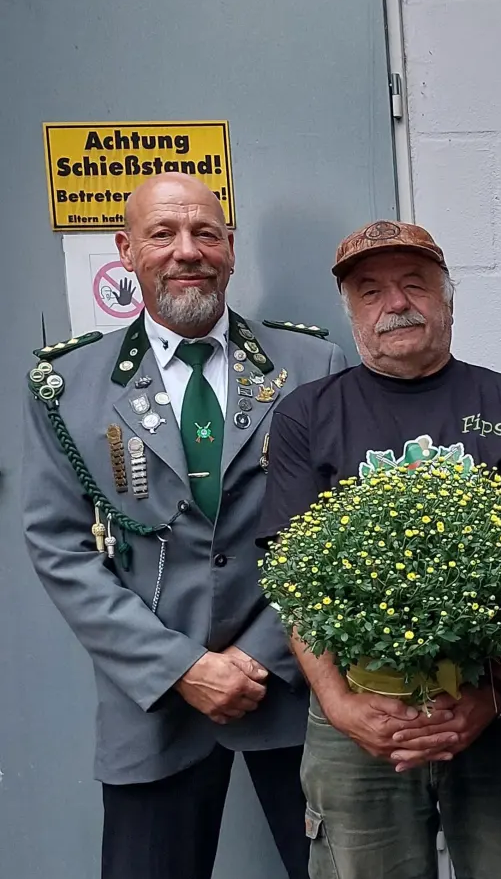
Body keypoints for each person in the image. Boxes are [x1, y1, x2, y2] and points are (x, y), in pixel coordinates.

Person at [21, 172, 347, 879]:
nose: (186, 250)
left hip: (290, 690)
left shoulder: (311, 365)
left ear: (231, 249)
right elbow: (59, 546)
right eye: (162, 234)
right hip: (151, 705)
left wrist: (259, 655)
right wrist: (182, 669)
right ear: (127, 250)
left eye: (206, 233)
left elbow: (332, 530)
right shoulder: (68, 385)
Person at [259, 220, 501, 879]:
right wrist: (342, 706)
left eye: (414, 285)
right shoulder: (305, 417)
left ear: (447, 300)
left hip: (498, 711)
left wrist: (492, 698)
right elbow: (290, 584)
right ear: (351, 315)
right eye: (370, 292)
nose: (395, 303)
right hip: (356, 718)